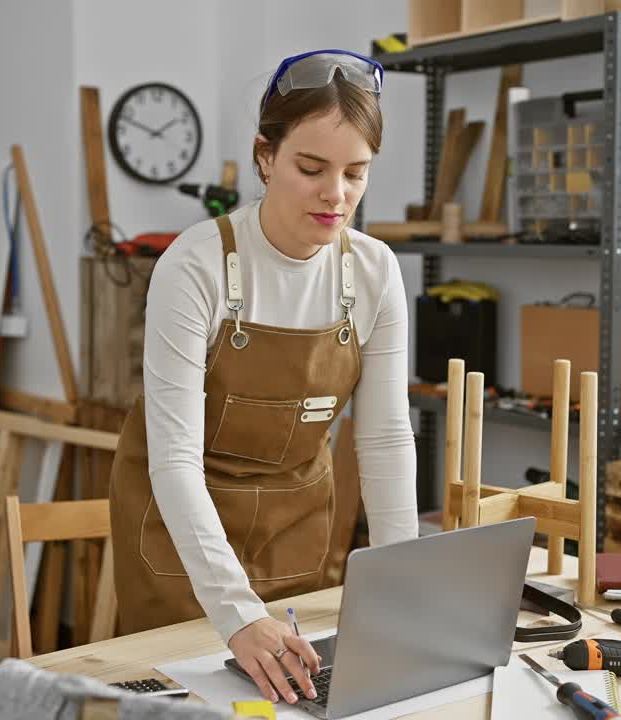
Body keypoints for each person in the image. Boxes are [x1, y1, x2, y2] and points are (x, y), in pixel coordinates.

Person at [109, 49, 418, 706]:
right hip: (181, 550)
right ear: (265, 156)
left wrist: (400, 586)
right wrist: (237, 613)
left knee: (298, 702)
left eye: (356, 173)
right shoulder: (195, 267)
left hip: (295, 536)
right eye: (312, 168)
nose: (336, 195)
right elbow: (172, 459)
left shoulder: (374, 271)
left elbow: (386, 437)